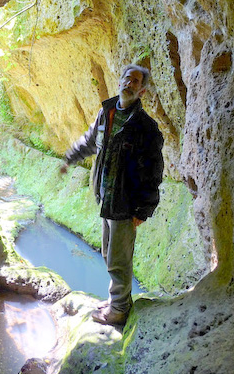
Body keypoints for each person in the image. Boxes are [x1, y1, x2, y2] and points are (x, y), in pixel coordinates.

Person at [61, 64, 164, 326]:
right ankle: (119, 300)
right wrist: (70, 158)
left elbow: (153, 173)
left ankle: (118, 311)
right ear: (119, 81)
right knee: (109, 254)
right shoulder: (106, 112)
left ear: (141, 91)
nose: (129, 83)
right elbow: (90, 141)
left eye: (135, 81)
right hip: (106, 197)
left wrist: (143, 211)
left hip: (125, 203)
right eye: (127, 78)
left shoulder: (146, 128)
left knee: (118, 259)